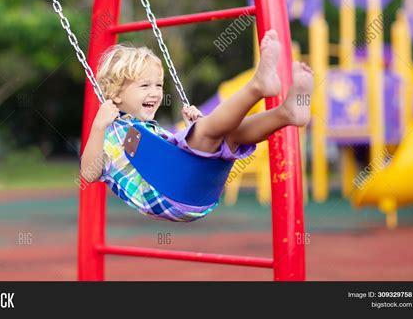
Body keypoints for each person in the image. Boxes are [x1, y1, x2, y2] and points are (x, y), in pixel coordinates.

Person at [80, 30, 313, 221]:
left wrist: (192, 127)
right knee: (208, 132)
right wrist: (98, 126)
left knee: (230, 135)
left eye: (158, 85)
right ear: (116, 94)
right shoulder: (111, 134)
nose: (155, 93)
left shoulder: (145, 131)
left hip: (195, 190)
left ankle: (286, 113)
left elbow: (169, 153)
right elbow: (89, 174)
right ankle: (257, 86)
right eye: (144, 86)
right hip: (169, 192)